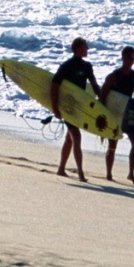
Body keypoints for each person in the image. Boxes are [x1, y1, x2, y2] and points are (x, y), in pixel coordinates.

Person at [50, 37, 101, 182]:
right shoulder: (66, 66)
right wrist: (55, 108)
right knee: (76, 136)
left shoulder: (87, 66)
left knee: (70, 138)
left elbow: (94, 84)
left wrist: (101, 100)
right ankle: (80, 173)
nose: (88, 49)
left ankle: (61, 169)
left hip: (78, 107)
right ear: (77, 48)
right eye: (85, 46)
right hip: (66, 107)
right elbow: (54, 86)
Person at [101, 45, 134, 186]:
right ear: (123, 58)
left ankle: (131, 173)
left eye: (133, 58)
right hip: (115, 113)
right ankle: (109, 173)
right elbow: (103, 96)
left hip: (128, 113)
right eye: (130, 58)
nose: (132, 61)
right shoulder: (113, 77)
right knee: (113, 144)